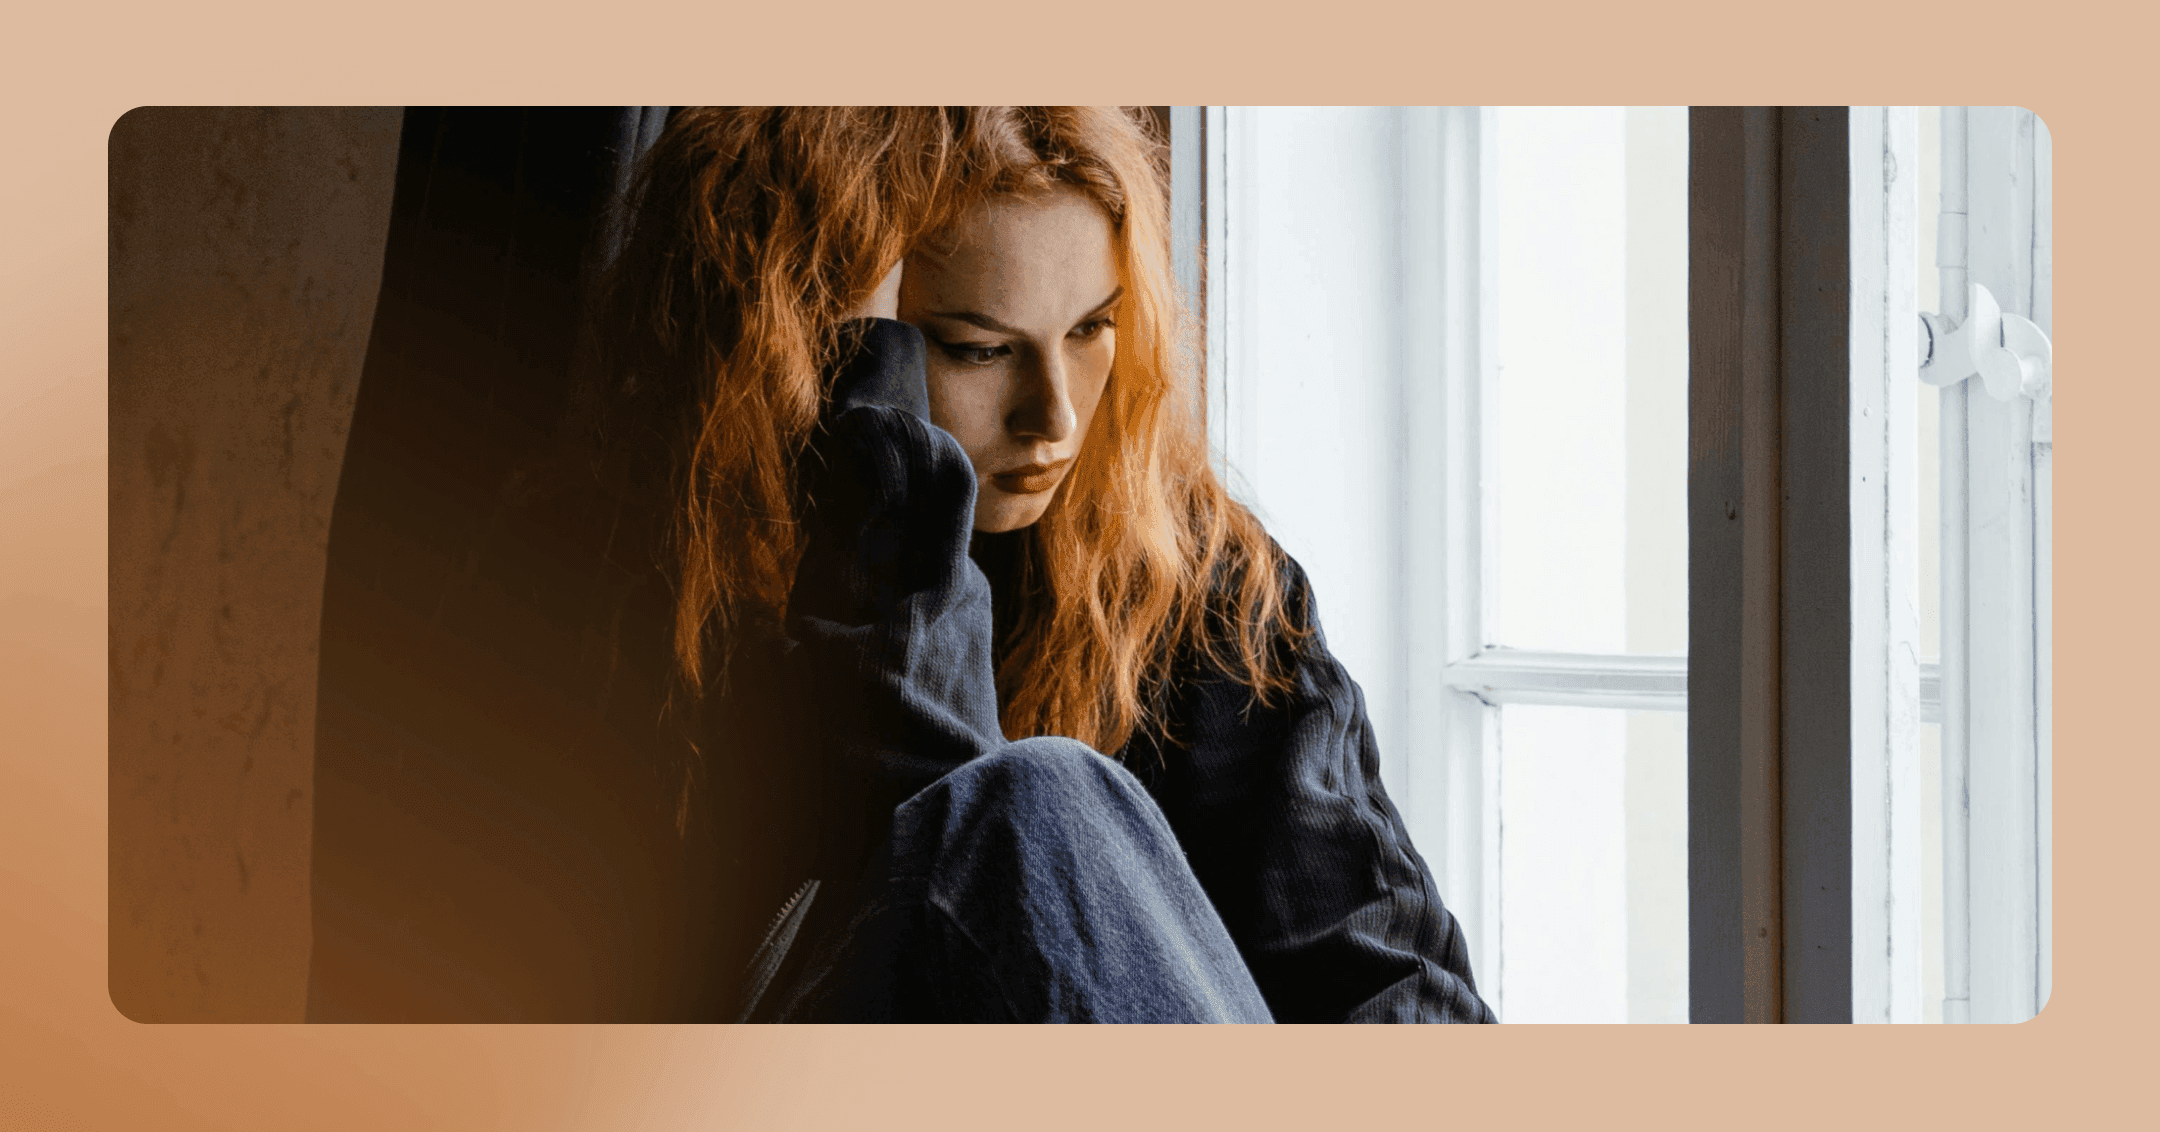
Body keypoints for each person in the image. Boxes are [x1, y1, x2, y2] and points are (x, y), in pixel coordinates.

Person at [584, 106, 1495, 1023]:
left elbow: (1399, 988)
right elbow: (922, 874)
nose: (1054, 416)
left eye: (1093, 328)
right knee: (1028, 804)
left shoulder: (1191, 583)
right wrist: (884, 482)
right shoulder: (626, 598)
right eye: (980, 348)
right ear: (812, 345)